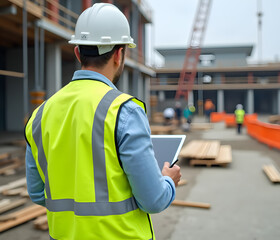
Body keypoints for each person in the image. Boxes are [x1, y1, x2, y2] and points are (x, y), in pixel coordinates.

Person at [24, 4, 181, 239]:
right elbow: (154, 200)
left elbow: (38, 193)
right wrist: (168, 181)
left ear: (78, 53)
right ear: (119, 54)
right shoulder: (124, 111)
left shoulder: (40, 115)